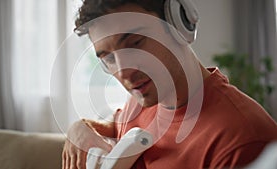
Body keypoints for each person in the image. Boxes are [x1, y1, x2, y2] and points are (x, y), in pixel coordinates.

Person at [62, 0, 277, 169]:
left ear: (178, 24)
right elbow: (114, 125)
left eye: (135, 43)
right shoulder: (141, 100)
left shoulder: (242, 140)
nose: (123, 71)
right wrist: (80, 128)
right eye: (108, 58)